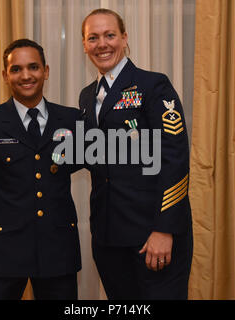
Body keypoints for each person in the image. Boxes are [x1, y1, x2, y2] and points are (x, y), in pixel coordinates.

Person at [0, 39, 82, 300]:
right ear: (5, 75)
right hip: (4, 252)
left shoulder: (71, 119)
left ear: (46, 70)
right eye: (16, 69)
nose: (26, 75)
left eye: (33, 67)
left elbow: (104, 168)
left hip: (57, 251)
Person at [79, 9, 193, 299]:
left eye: (109, 35)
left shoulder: (153, 85)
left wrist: (164, 230)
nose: (101, 44)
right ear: (84, 44)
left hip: (151, 236)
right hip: (108, 237)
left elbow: (174, 159)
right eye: (93, 37)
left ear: (124, 38)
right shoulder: (87, 95)